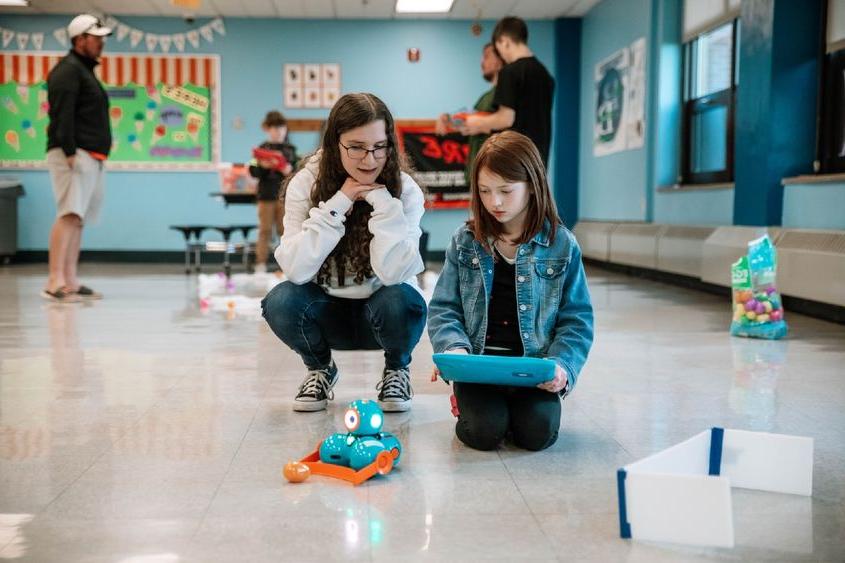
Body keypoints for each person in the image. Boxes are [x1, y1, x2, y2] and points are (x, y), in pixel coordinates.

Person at [427, 131, 593, 451]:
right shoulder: (465, 241)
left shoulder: (561, 244)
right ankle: (475, 405)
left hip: (532, 371)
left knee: (538, 434)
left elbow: (577, 318)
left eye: (506, 190)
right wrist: (453, 350)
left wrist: (563, 366)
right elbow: (444, 307)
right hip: (478, 370)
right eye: (485, 191)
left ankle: (512, 412)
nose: (495, 202)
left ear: (532, 185)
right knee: (483, 433)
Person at [261, 93, 427, 413]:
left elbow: (395, 274)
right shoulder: (305, 184)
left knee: (403, 299)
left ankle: (396, 369)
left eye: (379, 146)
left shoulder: (404, 190)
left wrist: (383, 205)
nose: (369, 160)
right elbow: (296, 269)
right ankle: (320, 369)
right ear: (334, 143)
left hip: (382, 313)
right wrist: (340, 203)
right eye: (356, 147)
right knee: (280, 300)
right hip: (325, 311)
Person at [42, 14, 113, 302]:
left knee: (78, 218)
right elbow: (61, 113)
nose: (101, 44)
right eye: (96, 39)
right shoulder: (67, 70)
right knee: (68, 214)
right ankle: (53, 281)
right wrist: (69, 151)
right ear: (79, 39)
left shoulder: (84, 71)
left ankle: (69, 280)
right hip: (74, 154)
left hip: (92, 155)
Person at [460, 17, 555, 166]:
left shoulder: (509, 72)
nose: (501, 56)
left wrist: (478, 122)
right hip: (539, 159)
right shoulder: (546, 75)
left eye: (498, 49)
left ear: (504, 41)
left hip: (515, 158)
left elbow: (506, 119)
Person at [435, 42, 504, 184]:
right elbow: (469, 122)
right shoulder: (486, 97)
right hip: (478, 173)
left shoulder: (505, 95)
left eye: (486, 56)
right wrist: (447, 118)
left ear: (500, 60)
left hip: (494, 174)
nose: (481, 62)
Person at [249, 110, 298, 273]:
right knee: (264, 230)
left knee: (286, 231)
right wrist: (263, 167)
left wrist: (288, 170)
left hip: (286, 197)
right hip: (266, 195)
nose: (278, 131)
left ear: (285, 129)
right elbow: (252, 171)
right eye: (274, 128)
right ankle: (260, 264)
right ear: (267, 129)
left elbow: (299, 173)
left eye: (281, 128)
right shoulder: (261, 148)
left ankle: (286, 266)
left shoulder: (291, 149)